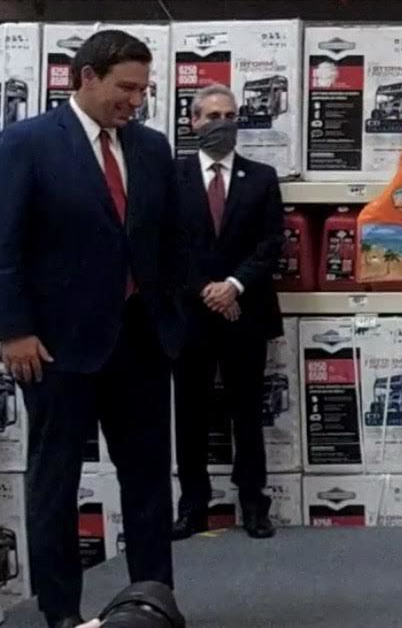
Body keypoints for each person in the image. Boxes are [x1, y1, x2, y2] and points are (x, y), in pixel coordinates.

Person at [0, 31, 185, 628]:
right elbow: (5, 245)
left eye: (143, 90)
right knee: (56, 483)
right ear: (85, 77)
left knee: (149, 480)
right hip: (56, 349)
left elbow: (170, 243)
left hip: (141, 343)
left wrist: (173, 320)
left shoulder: (152, 148)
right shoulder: (26, 143)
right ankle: (62, 614)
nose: (135, 101)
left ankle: (153, 603)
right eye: (125, 88)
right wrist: (13, 330)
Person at [172, 84, 284, 541]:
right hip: (190, 316)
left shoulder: (261, 177)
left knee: (247, 413)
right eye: (212, 116)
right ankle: (193, 506)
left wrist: (234, 285)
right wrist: (207, 289)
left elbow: (271, 244)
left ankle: (254, 504)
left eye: (229, 116)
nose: (222, 123)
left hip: (246, 312)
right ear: (193, 122)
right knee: (190, 414)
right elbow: (165, 245)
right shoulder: (171, 176)